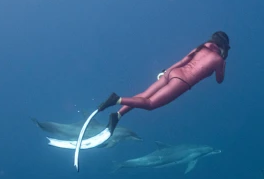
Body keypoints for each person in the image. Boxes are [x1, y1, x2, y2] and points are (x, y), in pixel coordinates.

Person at [96, 31, 230, 133]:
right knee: (150, 104)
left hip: (173, 72)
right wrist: (223, 61)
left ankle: (118, 115)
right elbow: (219, 80)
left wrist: (165, 72)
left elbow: (183, 61)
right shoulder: (219, 60)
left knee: (144, 95)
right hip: (182, 81)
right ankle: (116, 100)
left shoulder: (201, 47)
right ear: (223, 46)